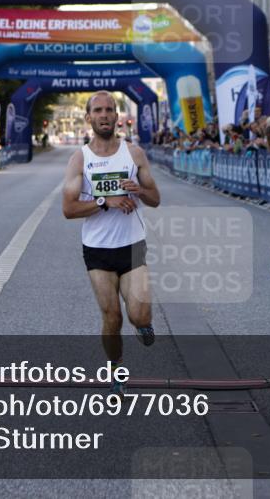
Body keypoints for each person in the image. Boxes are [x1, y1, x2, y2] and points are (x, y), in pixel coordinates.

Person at [62, 91, 161, 398]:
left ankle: (144, 325)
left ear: (117, 116)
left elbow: (155, 199)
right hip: (97, 250)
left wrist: (139, 191)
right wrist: (105, 201)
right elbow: (69, 209)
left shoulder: (134, 154)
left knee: (139, 315)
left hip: (132, 245)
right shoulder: (80, 158)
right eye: (98, 110)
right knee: (112, 318)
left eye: (110, 110)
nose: (104, 115)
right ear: (89, 117)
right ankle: (116, 368)